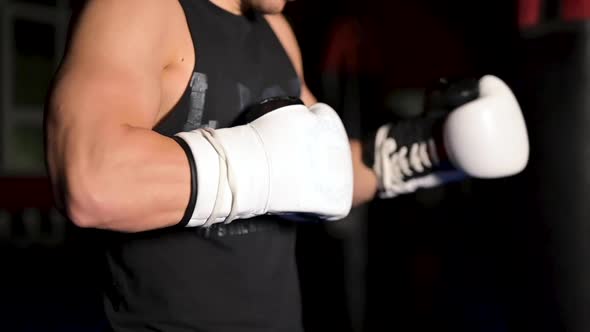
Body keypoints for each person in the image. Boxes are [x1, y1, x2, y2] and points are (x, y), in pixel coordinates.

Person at [43, 0, 529, 331]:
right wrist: (258, 163)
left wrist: (432, 149)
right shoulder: (143, 8)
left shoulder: (278, 33)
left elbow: (323, 166)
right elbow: (93, 178)